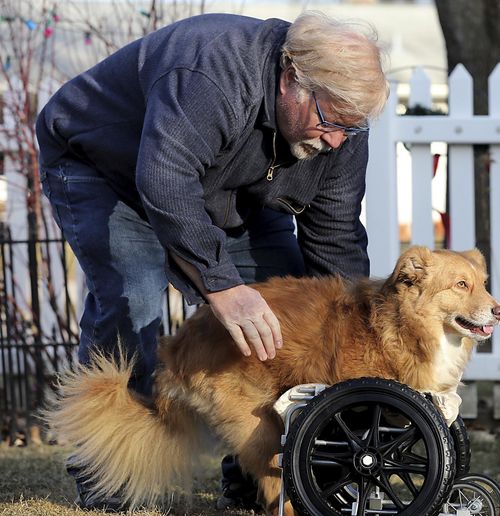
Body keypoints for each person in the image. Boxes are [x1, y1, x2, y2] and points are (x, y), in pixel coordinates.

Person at [36, 11, 388, 511]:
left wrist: (357, 337)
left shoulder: (341, 124)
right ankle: (105, 475)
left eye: (349, 130)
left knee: (287, 315)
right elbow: (165, 180)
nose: (334, 140)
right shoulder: (211, 71)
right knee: (133, 295)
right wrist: (221, 286)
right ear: (292, 80)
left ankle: (254, 475)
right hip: (105, 167)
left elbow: (334, 239)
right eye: (329, 121)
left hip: (229, 188)